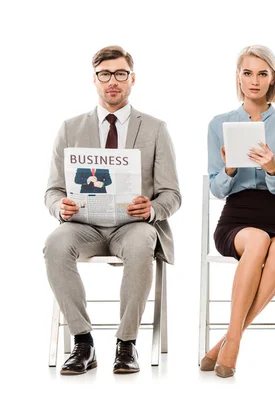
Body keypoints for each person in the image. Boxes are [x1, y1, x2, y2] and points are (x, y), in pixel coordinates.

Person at [44, 46, 181, 375]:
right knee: (56, 244)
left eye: (120, 74)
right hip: (84, 224)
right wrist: (58, 206)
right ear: (94, 80)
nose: (113, 82)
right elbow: (52, 189)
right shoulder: (69, 128)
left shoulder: (155, 129)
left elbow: (172, 194)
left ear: (132, 79)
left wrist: (151, 208)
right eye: (105, 75)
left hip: (133, 225)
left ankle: (126, 344)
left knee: (140, 245)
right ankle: (83, 341)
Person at [201, 45, 275, 378]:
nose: (254, 81)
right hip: (237, 217)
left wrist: (272, 168)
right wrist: (229, 169)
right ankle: (235, 345)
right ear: (238, 77)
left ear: (273, 78)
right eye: (248, 73)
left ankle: (227, 341)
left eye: (262, 73)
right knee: (257, 241)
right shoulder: (220, 123)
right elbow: (216, 188)